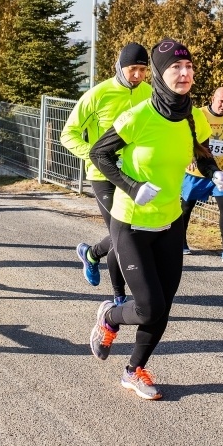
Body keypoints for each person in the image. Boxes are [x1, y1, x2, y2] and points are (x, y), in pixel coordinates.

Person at [88, 38, 223, 400]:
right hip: (131, 223)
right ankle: (110, 317)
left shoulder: (195, 117)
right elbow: (99, 155)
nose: (184, 74)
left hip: (169, 222)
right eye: (175, 68)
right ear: (159, 74)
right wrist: (133, 187)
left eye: (189, 67)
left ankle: (134, 370)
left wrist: (213, 173)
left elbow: (199, 153)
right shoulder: (137, 117)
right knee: (148, 307)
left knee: (162, 307)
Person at [61, 42, 152, 303]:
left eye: (142, 70)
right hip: (102, 175)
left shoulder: (149, 93)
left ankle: (91, 254)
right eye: (132, 69)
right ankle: (119, 297)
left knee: (130, 233)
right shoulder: (98, 94)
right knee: (121, 236)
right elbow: (68, 134)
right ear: (120, 67)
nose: (137, 75)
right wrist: (96, 155)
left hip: (134, 174)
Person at [180, 86, 223, 262]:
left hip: (220, 171)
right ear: (212, 99)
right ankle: (180, 242)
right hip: (196, 172)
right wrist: (190, 153)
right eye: (221, 101)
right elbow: (188, 136)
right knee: (186, 209)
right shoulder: (199, 114)